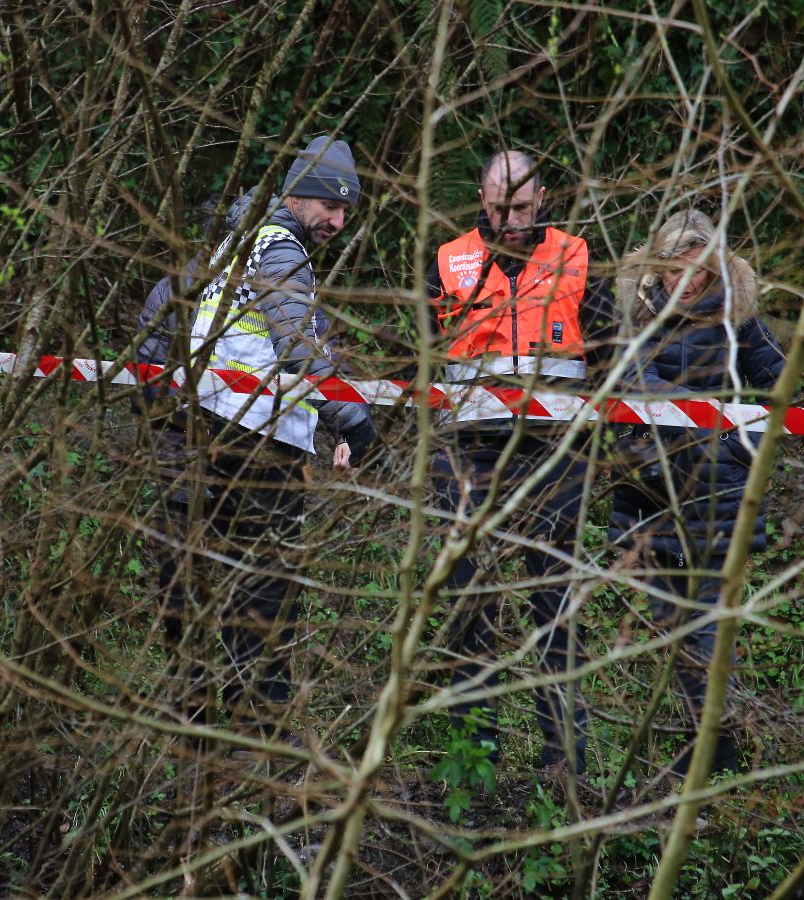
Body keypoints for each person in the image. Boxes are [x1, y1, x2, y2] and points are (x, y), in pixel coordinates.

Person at [144, 135, 376, 739]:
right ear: (297, 194)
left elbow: (160, 315)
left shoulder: (233, 241)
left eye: (347, 210)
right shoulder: (278, 248)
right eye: (330, 205)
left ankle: (199, 736)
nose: (338, 221)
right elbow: (300, 349)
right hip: (258, 455)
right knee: (266, 604)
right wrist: (355, 423)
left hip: (208, 438)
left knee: (199, 591)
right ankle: (262, 745)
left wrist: (157, 403)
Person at [425, 149, 614, 775]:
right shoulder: (448, 261)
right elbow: (422, 360)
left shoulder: (578, 257)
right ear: (481, 197)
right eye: (502, 206)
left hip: (554, 453)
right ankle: (474, 752)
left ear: (544, 199)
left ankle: (566, 755)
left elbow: (614, 353)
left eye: (525, 208)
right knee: (468, 598)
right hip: (469, 453)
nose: (512, 219)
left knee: (553, 599)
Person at [611, 208, 786, 776]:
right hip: (651, 485)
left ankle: (716, 743)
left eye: (697, 275)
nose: (683, 286)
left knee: (710, 622)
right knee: (669, 620)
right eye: (672, 274)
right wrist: (665, 423)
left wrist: (744, 445)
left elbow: (782, 383)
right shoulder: (637, 313)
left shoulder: (741, 317)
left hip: (720, 487)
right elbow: (630, 377)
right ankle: (698, 733)